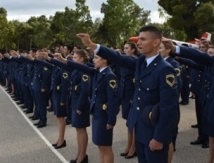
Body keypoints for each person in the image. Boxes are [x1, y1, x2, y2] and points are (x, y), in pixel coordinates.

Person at [76, 25, 179, 163]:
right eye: (138, 39)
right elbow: (117, 57)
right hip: (141, 129)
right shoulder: (141, 62)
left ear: (156, 42)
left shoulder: (165, 70)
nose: (138, 43)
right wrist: (92, 45)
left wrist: (159, 138)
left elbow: (169, 108)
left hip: (154, 132)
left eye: (143, 39)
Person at [162, 39, 214, 163]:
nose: (210, 55)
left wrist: (175, 50)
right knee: (211, 133)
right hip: (209, 103)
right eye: (210, 52)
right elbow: (196, 58)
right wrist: (176, 51)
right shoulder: (210, 62)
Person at [119, 42, 138, 159]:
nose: (124, 50)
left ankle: (134, 147)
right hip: (124, 95)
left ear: (133, 50)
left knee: (133, 123)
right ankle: (129, 145)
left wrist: (133, 98)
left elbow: (136, 82)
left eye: (127, 48)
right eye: (124, 48)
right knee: (128, 122)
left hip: (131, 95)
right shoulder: (124, 62)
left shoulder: (135, 62)